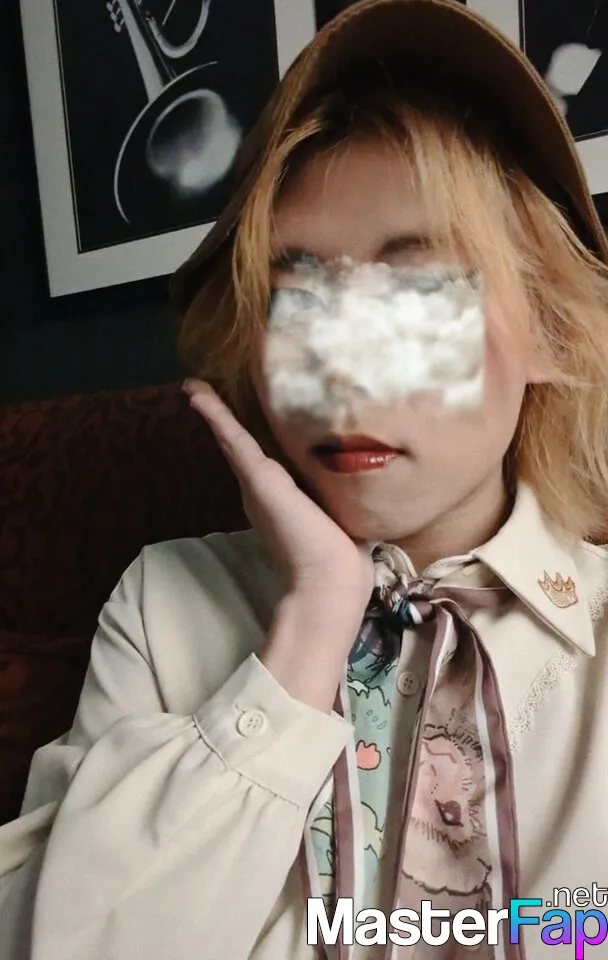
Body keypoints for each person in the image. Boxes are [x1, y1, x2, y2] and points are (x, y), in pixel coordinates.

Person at [2, 1, 608, 958]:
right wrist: (310, 630)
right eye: (297, 304)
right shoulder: (164, 603)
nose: (344, 371)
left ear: (552, 332)